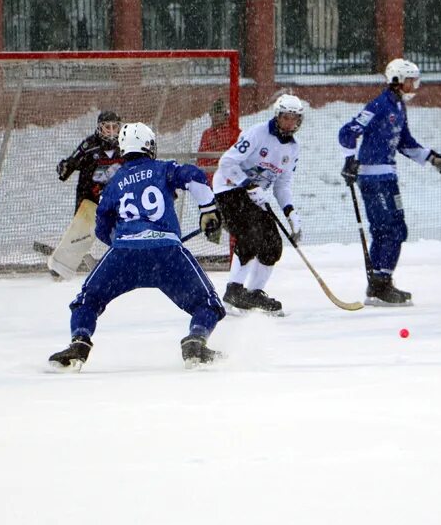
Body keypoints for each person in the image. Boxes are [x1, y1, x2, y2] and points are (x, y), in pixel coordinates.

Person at [47, 122, 226, 372]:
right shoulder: (164, 169)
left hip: (124, 254)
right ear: (150, 146)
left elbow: (101, 225)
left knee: (88, 300)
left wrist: (122, 245)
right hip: (167, 253)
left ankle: (79, 342)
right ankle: (196, 339)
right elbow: (193, 175)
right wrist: (208, 209)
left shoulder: (115, 182)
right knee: (208, 303)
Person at [338, 58, 441, 306]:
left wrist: (432, 158)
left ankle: (382, 281)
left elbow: (404, 142)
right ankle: (379, 285)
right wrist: (349, 161)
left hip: (389, 177)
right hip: (373, 177)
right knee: (387, 229)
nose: (415, 86)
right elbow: (347, 132)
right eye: (411, 81)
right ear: (397, 80)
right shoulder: (379, 105)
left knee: (396, 229)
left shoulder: (399, 107)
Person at [212, 94, 305, 315]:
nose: (290, 123)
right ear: (277, 115)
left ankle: (253, 294)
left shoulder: (293, 148)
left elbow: (282, 185)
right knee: (251, 235)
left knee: (273, 243)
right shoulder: (257, 133)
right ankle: (234, 290)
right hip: (229, 189)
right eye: (286, 118)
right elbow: (226, 163)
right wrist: (248, 184)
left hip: (254, 197)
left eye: (295, 119)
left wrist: (290, 213)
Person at [49, 110, 125, 279]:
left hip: (116, 199)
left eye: (115, 127)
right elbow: (70, 165)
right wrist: (64, 167)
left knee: (124, 228)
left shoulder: (125, 145)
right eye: (107, 128)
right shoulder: (90, 146)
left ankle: (126, 260)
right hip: (91, 199)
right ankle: (63, 264)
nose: (112, 131)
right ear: (100, 129)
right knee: (82, 230)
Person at [196, 98, 235, 178]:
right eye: (213, 114)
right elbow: (201, 158)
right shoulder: (207, 134)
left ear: (224, 115)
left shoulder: (233, 132)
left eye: (218, 114)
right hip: (209, 177)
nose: (215, 117)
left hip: (228, 177)